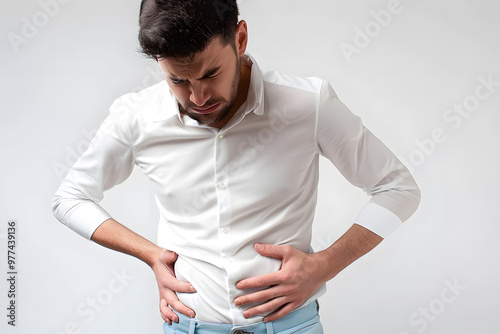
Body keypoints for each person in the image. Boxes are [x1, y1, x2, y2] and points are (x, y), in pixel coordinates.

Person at [52, 0, 421, 333]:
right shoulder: (135, 117)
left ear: (240, 38)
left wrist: (326, 264)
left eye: (211, 74)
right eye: (178, 81)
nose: (197, 97)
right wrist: (150, 255)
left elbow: (398, 188)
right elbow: (70, 198)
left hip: (291, 328)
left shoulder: (308, 105)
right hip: (186, 327)